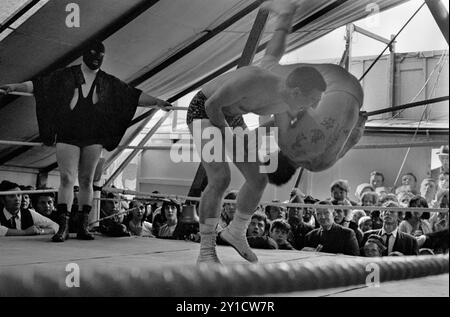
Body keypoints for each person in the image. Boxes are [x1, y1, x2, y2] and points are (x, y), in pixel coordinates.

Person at [187, 0, 365, 264]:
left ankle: (236, 231)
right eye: (311, 100)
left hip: (231, 116)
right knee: (220, 178)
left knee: (258, 179)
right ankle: (206, 250)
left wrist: (285, 16)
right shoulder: (253, 79)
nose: (313, 106)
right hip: (204, 110)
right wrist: (231, 137)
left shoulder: (288, 101)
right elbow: (213, 105)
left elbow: (275, 48)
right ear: (296, 92)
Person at [0, 41, 172, 243]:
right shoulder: (66, 75)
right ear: (84, 55)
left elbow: (132, 95)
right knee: (67, 178)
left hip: (93, 134)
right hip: (68, 133)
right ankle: (63, 226)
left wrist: (157, 102)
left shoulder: (107, 81)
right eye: (93, 54)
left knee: (86, 180)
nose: (96, 58)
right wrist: (13, 87)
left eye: (100, 55)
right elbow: (39, 85)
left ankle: (82, 225)